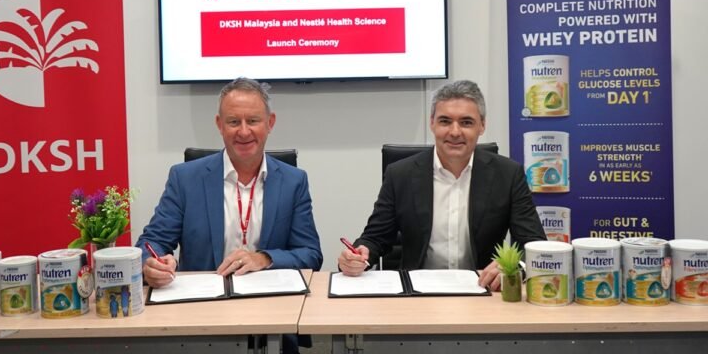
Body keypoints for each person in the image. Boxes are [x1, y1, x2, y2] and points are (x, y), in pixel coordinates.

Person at [338, 80, 545, 290]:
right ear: (432, 123)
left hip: (483, 290)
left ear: (482, 126)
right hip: (417, 294)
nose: (454, 132)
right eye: (445, 121)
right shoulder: (400, 174)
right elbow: (375, 238)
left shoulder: (508, 175)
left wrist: (513, 266)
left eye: (466, 122)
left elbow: (534, 242)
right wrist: (358, 255)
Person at [136, 77, 323, 287]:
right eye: (233, 122)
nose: (243, 132)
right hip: (203, 298)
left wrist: (264, 258)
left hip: (268, 296)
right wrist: (152, 264)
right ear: (220, 125)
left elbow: (310, 254)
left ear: (270, 123)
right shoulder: (185, 179)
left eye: (253, 121)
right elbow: (151, 242)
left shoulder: (293, 182)